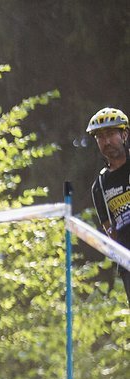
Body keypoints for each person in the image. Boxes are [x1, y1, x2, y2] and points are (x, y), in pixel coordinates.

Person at [86, 106, 130, 304]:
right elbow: (109, 230)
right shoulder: (100, 186)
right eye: (100, 137)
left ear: (124, 134)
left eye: (111, 134)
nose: (106, 141)